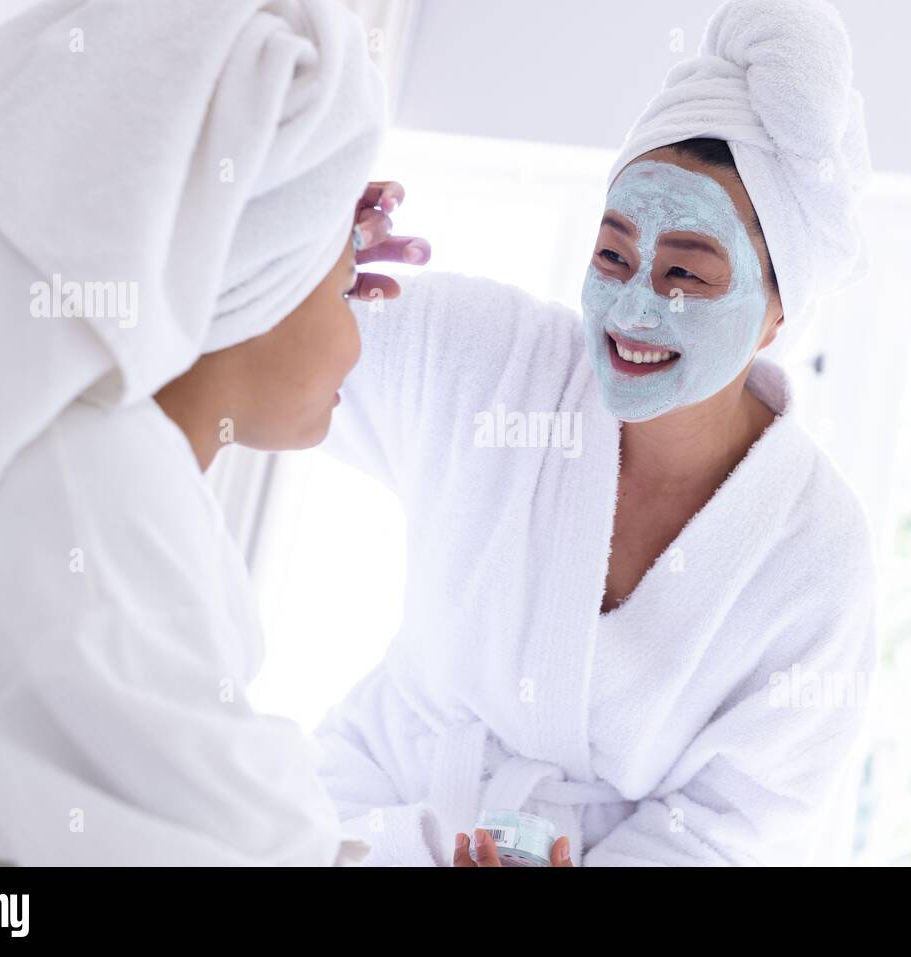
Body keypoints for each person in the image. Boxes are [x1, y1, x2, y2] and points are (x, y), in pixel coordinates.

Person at [316, 0, 878, 866]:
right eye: (612, 255)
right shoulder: (488, 358)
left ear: (777, 310)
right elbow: (259, 351)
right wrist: (296, 257)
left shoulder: (816, 552)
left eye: (686, 270)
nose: (634, 307)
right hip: (361, 819)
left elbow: (737, 822)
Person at [0, 0, 412, 865]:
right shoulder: (87, 495)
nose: (362, 333)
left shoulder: (65, 459)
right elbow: (243, 842)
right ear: (252, 282)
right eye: (349, 285)